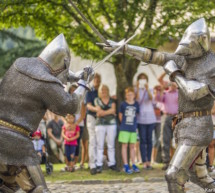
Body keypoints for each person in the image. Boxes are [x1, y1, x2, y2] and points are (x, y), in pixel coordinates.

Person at [102, 18, 215, 193]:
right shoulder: (183, 58)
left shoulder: (212, 64)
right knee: (198, 176)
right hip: (184, 124)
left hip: (199, 124)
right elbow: (154, 56)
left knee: (173, 174)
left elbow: (194, 92)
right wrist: (124, 48)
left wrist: (175, 74)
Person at [0, 33, 94, 193]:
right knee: (39, 190)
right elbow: (70, 106)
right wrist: (83, 84)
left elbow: (50, 75)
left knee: (6, 187)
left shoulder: (19, 64)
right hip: (16, 144)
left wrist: (76, 76)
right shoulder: (46, 84)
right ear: (62, 63)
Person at [155, 74, 178, 170]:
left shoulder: (179, 93)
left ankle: (178, 162)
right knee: (165, 140)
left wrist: (176, 87)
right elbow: (158, 99)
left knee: (178, 140)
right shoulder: (165, 93)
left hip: (177, 117)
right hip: (166, 116)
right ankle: (166, 162)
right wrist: (162, 89)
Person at [94, 84, 118, 173]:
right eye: (102, 90)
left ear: (107, 91)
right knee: (100, 145)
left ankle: (112, 163)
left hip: (111, 124)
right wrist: (108, 112)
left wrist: (103, 112)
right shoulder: (97, 100)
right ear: (100, 92)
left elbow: (113, 110)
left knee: (111, 145)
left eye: (105, 90)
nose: (103, 91)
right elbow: (98, 112)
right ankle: (99, 164)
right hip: (100, 124)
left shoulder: (112, 100)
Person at [135, 73, 156, 169]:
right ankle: (144, 161)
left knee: (149, 140)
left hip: (151, 118)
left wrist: (147, 89)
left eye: (144, 79)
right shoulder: (136, 90)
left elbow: (152, 100)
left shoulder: (150, 89)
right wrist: (137, 88)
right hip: (140, 119)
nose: (143, 80)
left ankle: (149, 161)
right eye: (141, 79)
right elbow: (137, 101)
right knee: (142, 140)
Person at [118, 87, 140, 174]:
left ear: (134, 95)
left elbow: (137, 114)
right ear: (125, 96)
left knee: (132, 147)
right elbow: (120, 115)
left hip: (133, 128)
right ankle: (126, 165)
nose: (129, 96)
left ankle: (133, 164)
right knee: (124, 146)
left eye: (131, 94)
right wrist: (124, 124)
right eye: (127, 95)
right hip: (124, 128)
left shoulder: (136, 104)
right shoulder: (123, 104)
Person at [85, 73, 101, 175]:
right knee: (92, 140)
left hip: (100, 119)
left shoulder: (101, 91)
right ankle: (92, 165)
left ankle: (98, 163)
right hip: (92, 117)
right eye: (95, 80)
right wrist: (97, 109)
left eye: (98, 80)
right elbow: (89, 106)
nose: (97, 82)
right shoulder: (90, 91)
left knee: (99, 141)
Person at [68, 84, 86, 168]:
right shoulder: (68, 101)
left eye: (75, 90)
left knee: (77, 144)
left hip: (79, 125)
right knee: (68, 144)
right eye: (72, 90)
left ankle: (75, 162)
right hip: (69, 126)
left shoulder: (81, 101)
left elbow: (82, 115)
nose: (73, 92)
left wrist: (75, 124)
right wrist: (68, 123)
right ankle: (69, 162)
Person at [208, 102, 215, 176]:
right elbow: (213, 111)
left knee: (211, 146)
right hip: (211, 125)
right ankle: (210, 166)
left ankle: (211, 166)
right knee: (211, 145)